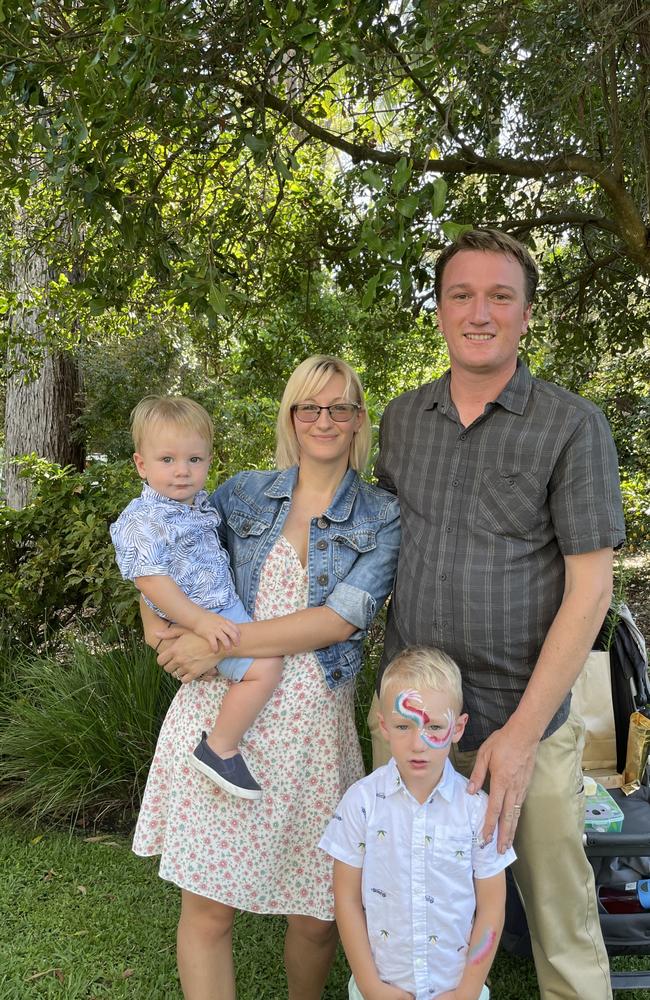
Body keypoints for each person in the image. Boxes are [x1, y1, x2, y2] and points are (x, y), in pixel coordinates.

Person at [372, 229, 626, 1000]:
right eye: (462, 294)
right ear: (440, 310)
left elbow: (592, 591)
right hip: (417, 716)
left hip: (531, 720)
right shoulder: (401, 420)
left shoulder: (571, 425)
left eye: (500, 296)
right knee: (408, 901)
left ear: (524, 315)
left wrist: (518, 737)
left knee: (561, 918)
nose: (479, 312)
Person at [133, 356, 400, 1000]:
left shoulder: (382, 515)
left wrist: (213, 641)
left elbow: (341, 620)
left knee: (315, 917)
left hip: (312, 729)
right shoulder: (241, 494)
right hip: (224, 721)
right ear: (290, 416)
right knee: (209, 910)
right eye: (309, 406)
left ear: (360, 420)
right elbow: (160, 541)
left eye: (340, 406)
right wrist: (158, 624)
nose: (324, 419)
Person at [110, 395, 283, 799]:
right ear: (141, 464)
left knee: (263, 664)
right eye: (167, 460)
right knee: (267, 666)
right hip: (203, 615)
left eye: (194, 459)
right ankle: (220, 748)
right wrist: (198, 622)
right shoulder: (141, 519)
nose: (182, 471)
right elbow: (151, 582)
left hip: (218, 608)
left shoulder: (199, 506)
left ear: (208, 461)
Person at [320, 646, 514, 1000]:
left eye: (435, 727)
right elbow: (345, 898)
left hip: (456, 990)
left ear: (458, 728)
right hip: (382, 988)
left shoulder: (477, 813)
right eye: (403, 726)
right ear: (383, 725)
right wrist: (370, 986)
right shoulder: (360, 804)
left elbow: (491, 910)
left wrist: (467, 992)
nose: (418, 743)